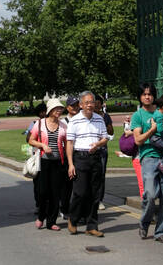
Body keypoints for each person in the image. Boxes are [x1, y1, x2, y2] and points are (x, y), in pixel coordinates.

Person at [131, 83, 163, 242]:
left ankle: (160, 232)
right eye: (144, 94)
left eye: (149, 94)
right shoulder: (138, 116)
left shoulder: (161, 112)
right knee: (150, 193)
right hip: (149, 158)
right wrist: (152, 131)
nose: (147, 97)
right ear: (140, 97)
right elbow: (138, 140)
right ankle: (144, 223)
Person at [66, 90, 108, 237]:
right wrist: (71, 164)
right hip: (80, 157)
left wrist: (99, 144)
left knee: (95, 194)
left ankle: (92, 225)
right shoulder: (74, 120)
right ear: (81, 104)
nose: (90, 105)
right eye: (87, 102)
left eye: (92, 102)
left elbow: (105, 137)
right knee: (80, 192)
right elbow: (69, 143)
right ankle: (73, 218)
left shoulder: (99, 119)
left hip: (95, 157)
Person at [29, 99, 68, 230]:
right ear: (50, 110)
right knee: (43, 192)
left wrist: (69, 162)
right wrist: (42, 145)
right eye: (57, 109)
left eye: (60, 109)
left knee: (55, 193)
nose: (59, 111)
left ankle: (51, 222)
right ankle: (41, 216)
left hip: (58, 162)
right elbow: (31, 140)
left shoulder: (63, 126)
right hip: (44, 162)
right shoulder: (39, 124)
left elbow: (67, 144)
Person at [26, 104, 49, 216]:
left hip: (50, 155)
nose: (46, 113)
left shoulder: (53, 123)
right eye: (44, 111)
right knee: (38, 182)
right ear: (40, 113)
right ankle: (39, 204)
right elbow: (28, 139)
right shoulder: (35, 124)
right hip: (38, 156)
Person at [94, 93, 114, 206]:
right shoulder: (88, 116)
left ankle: (99, 200)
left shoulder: (105, 116)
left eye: (98, 105)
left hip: (102, 149)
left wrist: (104, 125)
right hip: (90, 148)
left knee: (101, 175)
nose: (96, 107)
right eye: (94, 104)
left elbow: (111, 132)